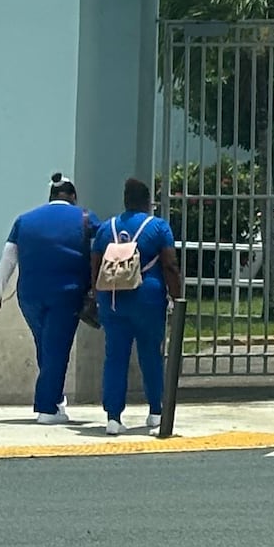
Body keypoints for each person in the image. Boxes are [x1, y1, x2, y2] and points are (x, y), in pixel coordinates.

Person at [0, 174, 94, 425]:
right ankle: (47, 408)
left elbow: (8, 258)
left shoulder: (24, 220)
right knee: (57, 349)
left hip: (30, 296)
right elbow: (100, 250)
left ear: (50, 196)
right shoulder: (85, 217)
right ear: (73, 196)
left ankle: (55, 399)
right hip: (66, 294)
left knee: (45, 346)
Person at [90, 177, 181, 435]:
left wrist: (97, 296)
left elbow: (95, 265)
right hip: (147, 298)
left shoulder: (106, 228)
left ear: (125, 201)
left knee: (115, 357)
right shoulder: (158, 227)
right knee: (151, 354)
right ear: (148, 202)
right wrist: (177, 296)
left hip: (113, 299)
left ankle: (113, 417)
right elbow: (170, 265)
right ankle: (155, 411)